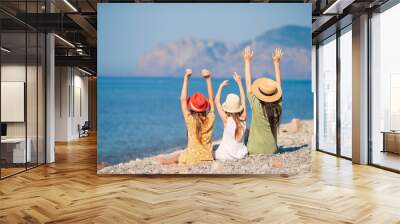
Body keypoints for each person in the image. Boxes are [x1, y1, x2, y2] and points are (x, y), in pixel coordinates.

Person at [159, 69, 215, 165]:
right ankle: (166, 159)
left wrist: (186, 79)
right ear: (205, 107)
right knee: (182, 153)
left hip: (192, 158)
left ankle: (164, 160)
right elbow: (211, 100)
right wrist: (208, 79)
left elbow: (183, 99)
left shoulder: (190, 119)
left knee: (179, 155)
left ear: (192, 108)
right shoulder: (210, 118)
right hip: (208, 157)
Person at [243, 47, 283, 155]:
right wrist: (276, 63)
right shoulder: (277, 106)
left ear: (260, 92)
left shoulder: (255, 103)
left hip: (254, 150)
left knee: (246, 132)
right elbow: (279, 85)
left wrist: (247, 61)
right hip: (272, 150)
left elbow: (247, 83)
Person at [214, 72, 248, 160]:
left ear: (227, 108)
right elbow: (244, 100)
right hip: (240, 155)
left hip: (224, 155)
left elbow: (216, 101)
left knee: (211, 152)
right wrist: (239, 83)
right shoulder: (243, 118)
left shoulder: (226, 119)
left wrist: (221, 86)